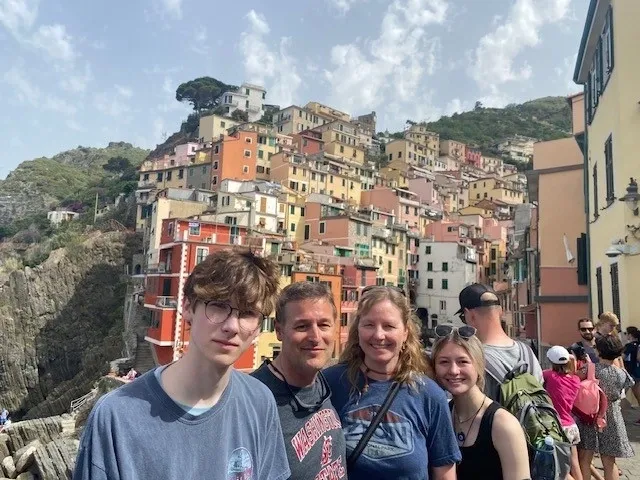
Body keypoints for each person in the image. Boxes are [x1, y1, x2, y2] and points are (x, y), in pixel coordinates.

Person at [73, 248, 290, 480]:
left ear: (258, 327)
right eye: (217, 305)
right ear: (187, 307)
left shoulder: (259, 403)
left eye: (247, 313)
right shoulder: (115, 418)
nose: (232, 326)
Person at [324, 286, 461, 480]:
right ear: (358, 330)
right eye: (369, 325)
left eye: (389, 326)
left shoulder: (429, 395)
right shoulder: (330, 384)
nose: (379, 335)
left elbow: (444, 473)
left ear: (405, 332)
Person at [252, 282, 347, 479]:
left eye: (324, 325)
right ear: (279, 331)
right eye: (302, 326)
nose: (315, 337)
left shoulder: (322, 380)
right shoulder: (254, 400)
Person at [431, 324, 530, 480]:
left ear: (479, 365)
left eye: (463, 361)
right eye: (444, 362)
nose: (454, 370)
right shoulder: (441, 416)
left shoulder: (503, 424)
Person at [455, 284, 543, 402]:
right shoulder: (528, 353)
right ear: (501, 311)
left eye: (463, 317)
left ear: (470, 315)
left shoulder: (473, 359)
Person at [576, 335, 634, 480]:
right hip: (613, 417)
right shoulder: (621, 373)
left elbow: (575, 382)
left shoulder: (590, 368)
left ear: (599, 351)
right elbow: (626, 387)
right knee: (609, 462)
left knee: (585, 458)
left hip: (591, 416)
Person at [543, 346, 583, 480]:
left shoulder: (549, 376)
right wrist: (570, 358)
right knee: (575, 465)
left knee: (561, 470)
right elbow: (572, 368)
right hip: (571, 426)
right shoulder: (575, 380)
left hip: (557, 427)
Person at [622, 327, 640, 415]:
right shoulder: (638, 345)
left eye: (626, 333)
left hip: (630, 372)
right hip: (637, 371)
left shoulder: (629, 346)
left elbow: (623, 357)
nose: (625, 335)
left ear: (630, 335)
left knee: (621, 394)